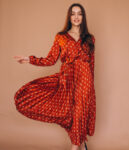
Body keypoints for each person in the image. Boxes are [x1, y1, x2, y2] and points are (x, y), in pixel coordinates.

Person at [13, 3, 96, 150]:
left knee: (79, 113)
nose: (76, 17)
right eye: (73, 14)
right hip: (67, 80)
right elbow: (50, 60)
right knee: (71, 114)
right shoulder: (61, 37)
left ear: (83, 17)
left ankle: (75, 147)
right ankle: (83, 146)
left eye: (79, 14)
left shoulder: (90, 38)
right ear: (69, 17)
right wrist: (29, 59)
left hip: (85, 80)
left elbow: (91, 65)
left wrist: (91, 90)